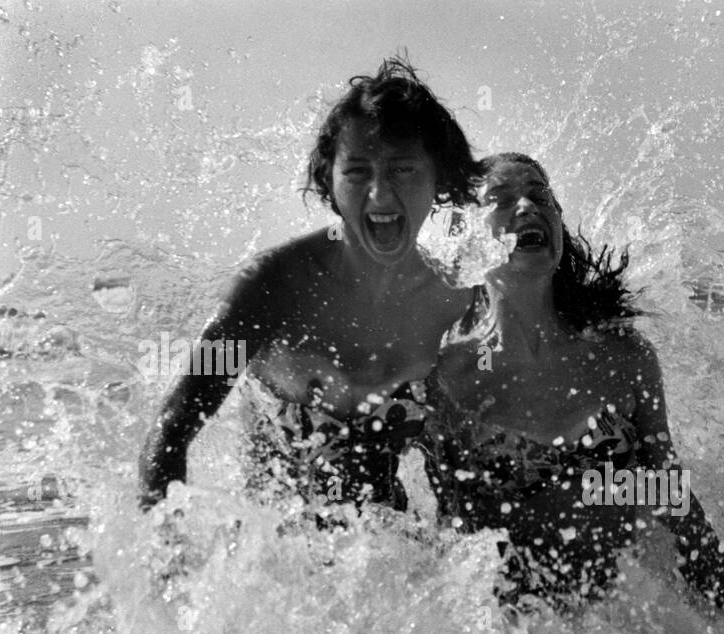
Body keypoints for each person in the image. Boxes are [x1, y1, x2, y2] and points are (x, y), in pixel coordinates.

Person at [418, 152, 724, 614]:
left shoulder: (623, 356)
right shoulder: (450, 378)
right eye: (500, 200)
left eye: (541, 196)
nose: (527, 207)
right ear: (468, 238)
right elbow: (450, 538)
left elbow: (670, 493)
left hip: (634, 613)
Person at [138, 57, 477, 513]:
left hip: (390, 544)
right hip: (276, 550)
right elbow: (174, 427)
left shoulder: (454, 305)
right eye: (357, 171)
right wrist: (168, 567)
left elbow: (462, 464)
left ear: (439, 177)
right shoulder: (269, 290)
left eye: (402, 170)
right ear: (329, 181)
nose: (379, 195)